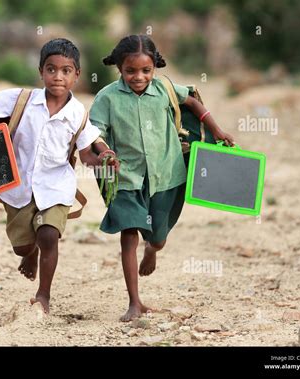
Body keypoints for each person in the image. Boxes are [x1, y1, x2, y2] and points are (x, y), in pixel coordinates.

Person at [89, 34, 234, 321]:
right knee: (128, 233)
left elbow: (191, 101)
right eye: (130, 71)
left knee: (158, 238)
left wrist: (215, 129)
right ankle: (134, 301)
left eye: (146, 70)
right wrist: (105, 153)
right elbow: (95, 133)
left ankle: (153, 249)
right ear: (119, 68)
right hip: (125, 178)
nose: (138, 76)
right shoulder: (107, 98)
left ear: (154, 67)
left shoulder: (165, 88)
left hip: (167, 175)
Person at [0, 38, 117, 314]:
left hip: (56, 186)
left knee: (49, 235)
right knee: (22, 248)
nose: (58, 76)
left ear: (77, 76)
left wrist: (102, 161)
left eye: (65, 71)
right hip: (19, 186)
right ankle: (31, 254)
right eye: (51, 69)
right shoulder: (24, 100)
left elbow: (86, 154)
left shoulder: (78, 114)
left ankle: (43, 296)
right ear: (41, 71)